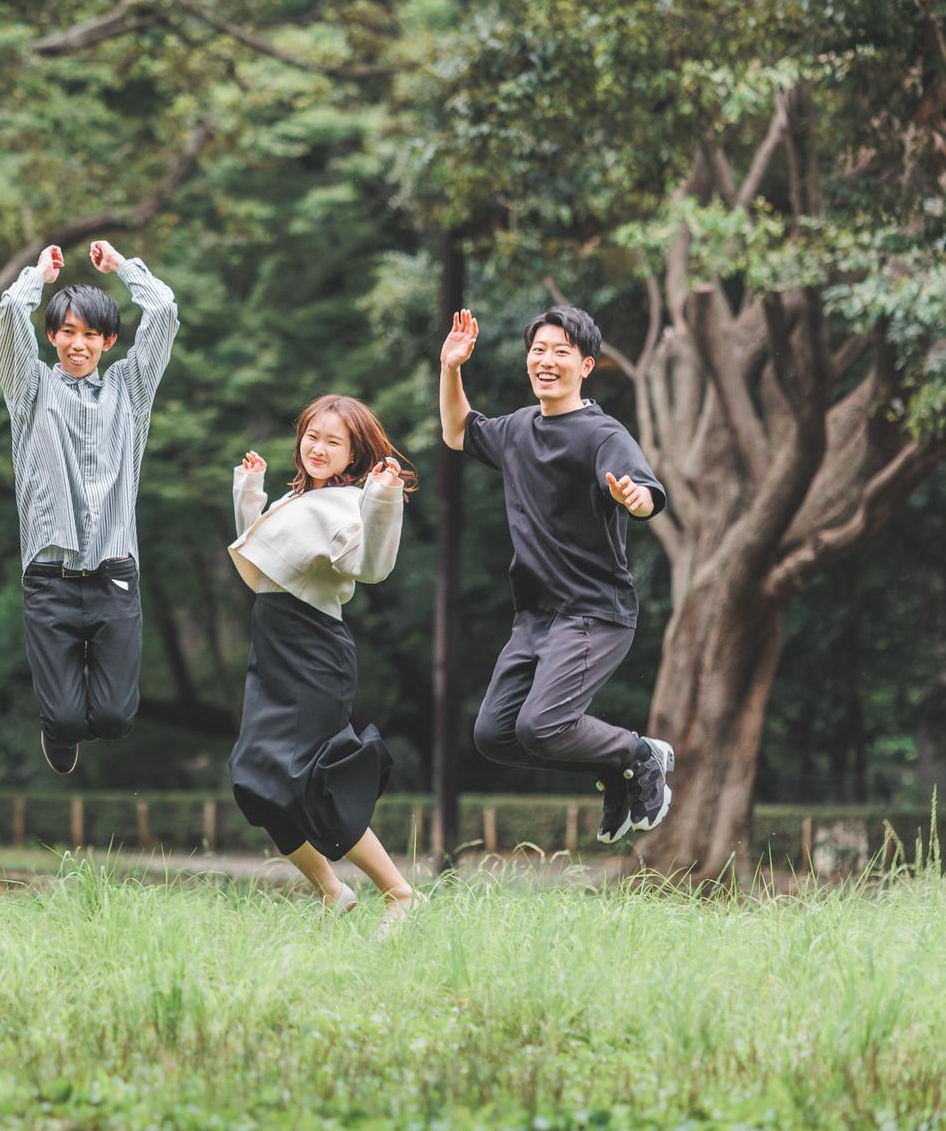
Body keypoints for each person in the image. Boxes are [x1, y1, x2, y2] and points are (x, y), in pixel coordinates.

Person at [439, 306, 674, 841]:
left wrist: (635, 499)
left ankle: (640, 754)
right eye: (538, 350)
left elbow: (645, 494)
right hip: (535, 618)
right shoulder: (518, 429)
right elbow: (456, 431)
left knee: (541, 724)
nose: (546, 360)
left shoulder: (602, 434)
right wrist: (451, 368)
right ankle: (615, 766)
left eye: (561, 352)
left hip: (593, 612)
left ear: (585, 365)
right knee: (495, 735)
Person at [228, 396, 416, 933]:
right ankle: (333, 891)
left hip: (314, 654)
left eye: (334, 441)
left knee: (314, 781)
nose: (318, 447)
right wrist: (249, 492)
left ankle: (400, 893)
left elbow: (372, 566)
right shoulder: (300, 498)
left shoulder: (348, 504)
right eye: (312, 435)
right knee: (252, 780)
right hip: (274, 649)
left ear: (353, 453)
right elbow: (264, 558)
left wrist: (383, 498)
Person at [0, 240, 177, 774]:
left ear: (108, 341)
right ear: (52, 336)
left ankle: (80, 714)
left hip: (114, 575)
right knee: (67, 720)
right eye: (68, 331)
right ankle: (58, 725)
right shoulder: (29, 387)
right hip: (49, 578)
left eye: (91, 334)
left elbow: (163, 311)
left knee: (115, 719)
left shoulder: (129, 389)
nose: (78, 344)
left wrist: (121, 267)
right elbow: (10, 314)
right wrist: (38, 276)